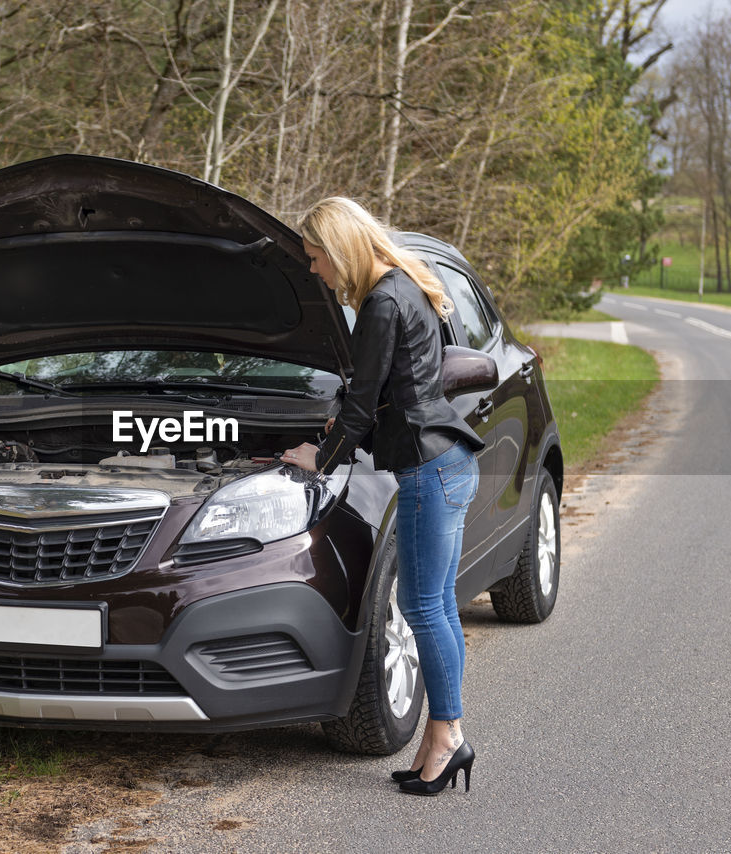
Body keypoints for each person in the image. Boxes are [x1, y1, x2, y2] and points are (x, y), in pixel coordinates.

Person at [280, 197, 485, 796]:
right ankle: (441, 739)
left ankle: (447, 737)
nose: (315, 271)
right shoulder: (404, 286)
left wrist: (321, 458)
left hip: (428, 473)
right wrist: (339, 428)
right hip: (449, 462)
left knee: (424, 608)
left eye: (316, 258)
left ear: (338, 248)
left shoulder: (381, 303)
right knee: (438, 606)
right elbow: (393, 389)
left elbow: (366, 405)